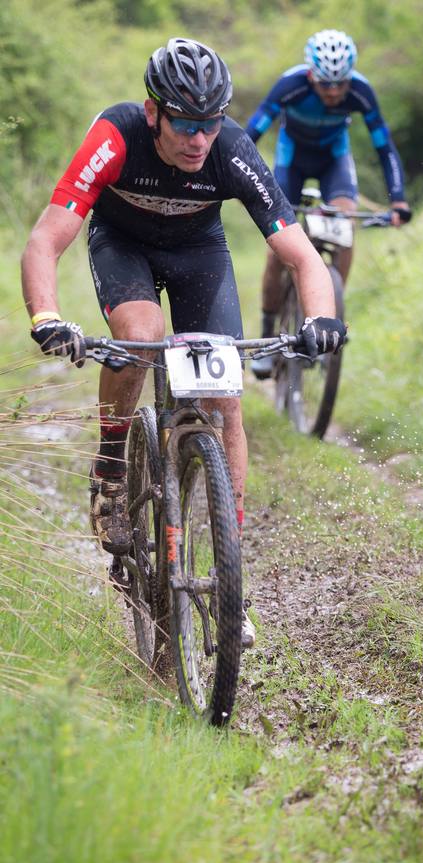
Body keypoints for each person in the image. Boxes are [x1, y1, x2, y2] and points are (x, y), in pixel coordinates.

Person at [21, 36, 346, 648]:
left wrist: (321, 320)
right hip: (124, 246)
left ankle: (230, 577)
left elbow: (302, 256)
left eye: (210, 123)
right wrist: (47, 316)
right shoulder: (116, 135)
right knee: (141, 337)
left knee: (224, 401)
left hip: (200, 254)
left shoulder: (231, 150)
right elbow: (46, 238)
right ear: (154, 113)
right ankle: (112, 467)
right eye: (185, 124)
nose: (199, 139)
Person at [245, 29, 410, 378]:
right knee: (278, 250)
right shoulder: (291, 84)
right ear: (311, 76)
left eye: (341, 85)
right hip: (292, 160)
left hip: (334, 161)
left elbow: (384, 147)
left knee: (345, 227)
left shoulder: (361, 92)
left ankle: (329, 315)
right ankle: (265, 332)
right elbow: (249, 136)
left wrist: (398, 199)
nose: (334, 93)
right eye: (325, 85)